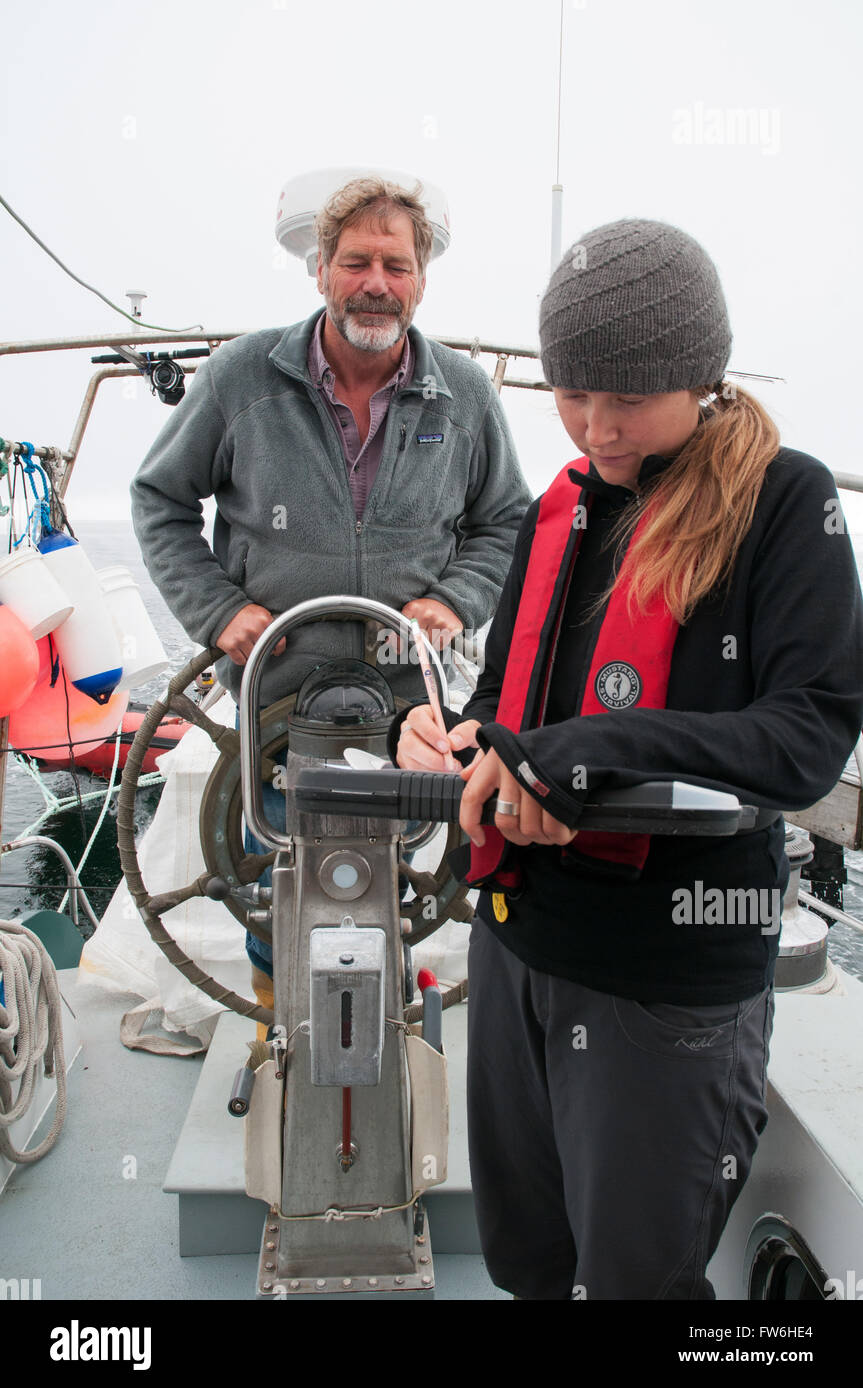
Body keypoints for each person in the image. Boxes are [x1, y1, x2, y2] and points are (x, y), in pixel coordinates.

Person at [393, 218, 863, 1300]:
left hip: (662, 988)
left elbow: (804, 736)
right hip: (513, 953)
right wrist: (444, 732)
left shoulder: (784, 503)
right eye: (570, 395)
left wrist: (578, 756)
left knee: (635, 1283)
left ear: (699, 379)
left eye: (625, 399)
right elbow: (496, 697)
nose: (595, 428)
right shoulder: (562, 507)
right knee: (526, 1261)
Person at [130, 174, 531, 1013]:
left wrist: (456, 599)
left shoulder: (463, 396)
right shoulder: (242, 377)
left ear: (421, 278)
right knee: (278, 874)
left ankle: (371, 1019)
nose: (376, 282)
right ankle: (278, 1023)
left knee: (382, 866)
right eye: (355, 262)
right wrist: (217, 611)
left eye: (395, 263)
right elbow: (159, 497)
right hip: (276, 699)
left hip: (406, 702)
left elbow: (505, 523)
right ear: (319, 268)